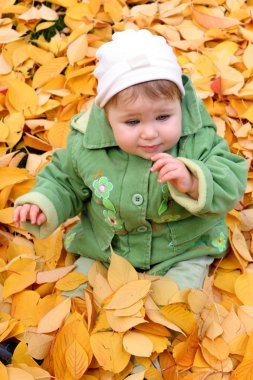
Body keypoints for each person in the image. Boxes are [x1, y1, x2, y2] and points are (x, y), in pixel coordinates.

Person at [13, 29, 247, 289]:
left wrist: (193, 180)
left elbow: (230, 178)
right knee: (76, 291)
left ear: (179, 105)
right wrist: (43, 204)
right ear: (107, 117)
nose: (150, 133)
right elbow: (64, 181)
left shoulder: (196, 138)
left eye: (163, 117)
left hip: (183, 248)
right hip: (107, 246)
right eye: (133, 121)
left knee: (176, 300)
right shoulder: (87, 144)